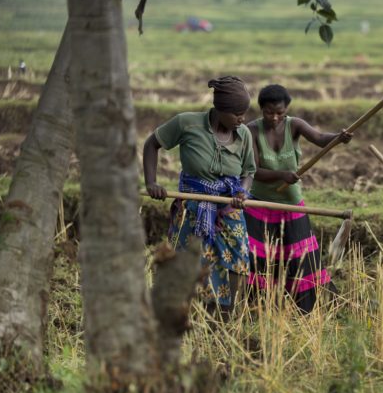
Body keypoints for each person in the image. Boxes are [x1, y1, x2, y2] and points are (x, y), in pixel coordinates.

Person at [143, 76, 256, 313]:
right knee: (189, 260)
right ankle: (187, 312)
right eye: (237, 113)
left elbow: (248, 171)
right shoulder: (187, 123)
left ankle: (228, 313)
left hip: (228, 206)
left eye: (244, 113)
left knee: (238, 259)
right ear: (220, 109)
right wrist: (152, 182)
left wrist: (243, 192)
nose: (242, 119)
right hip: (193, 206)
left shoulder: (243, 134)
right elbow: (151, 145)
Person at [244, 84, 352, 313]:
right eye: (269, 113)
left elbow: (321, 138)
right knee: (261, 259)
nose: (274, 118)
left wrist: (339, 138)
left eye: (279, 113)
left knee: (301, 258)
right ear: (261, 110)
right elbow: (253, 171)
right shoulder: (251, 130)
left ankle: (303, 306)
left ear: (286, 110)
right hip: (260, 204)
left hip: (292, 204)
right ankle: (260, 306)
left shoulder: (295, 125)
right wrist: (281, 175)